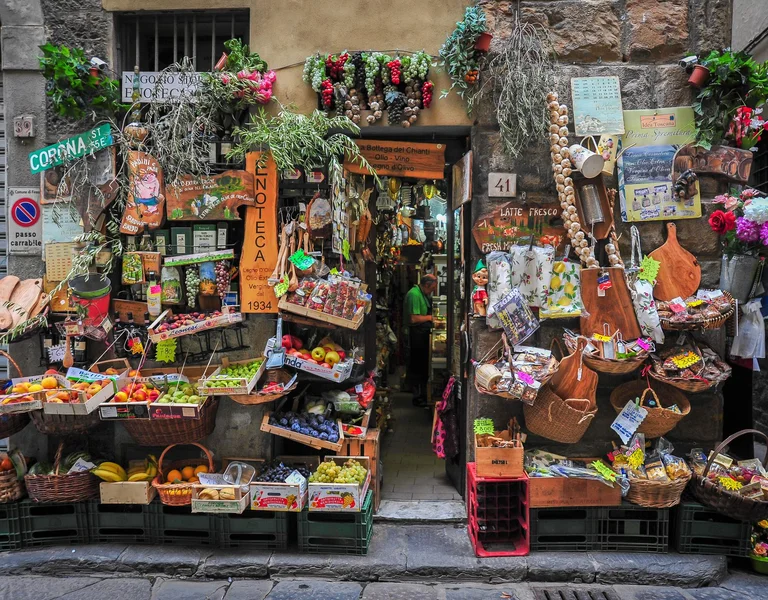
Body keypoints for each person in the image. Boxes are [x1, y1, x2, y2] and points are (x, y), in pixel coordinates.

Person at [403, 274, 437, 407]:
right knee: (417, 364)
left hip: (421, 333)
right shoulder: (415, 295)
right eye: (432, 288)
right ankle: (417, 396)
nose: (433, 291)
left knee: (422, 364)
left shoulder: (422, 293)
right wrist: (430, 318)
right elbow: (413, 319)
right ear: (426, 285)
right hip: (415, 334)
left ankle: (422, 394)